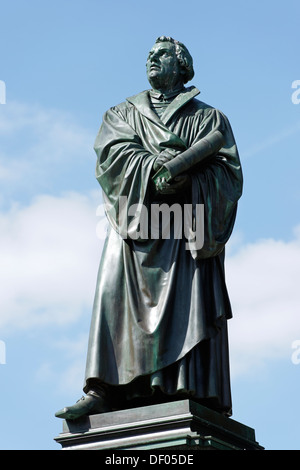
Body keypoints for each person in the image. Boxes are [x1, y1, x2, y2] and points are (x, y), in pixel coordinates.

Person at [55, 36, 243, 420]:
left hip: (183, 226)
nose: (151, 60)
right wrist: (154, 165)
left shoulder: (209, 119)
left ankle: (180, 386)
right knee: (111, 294)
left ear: (183, 65)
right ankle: (103, 388)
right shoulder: (122, 113)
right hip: (134, 222)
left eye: (161, 55)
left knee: (185, 300)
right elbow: (111, 156)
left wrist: (189, 181)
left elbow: (228, 175)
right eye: (149, 56)